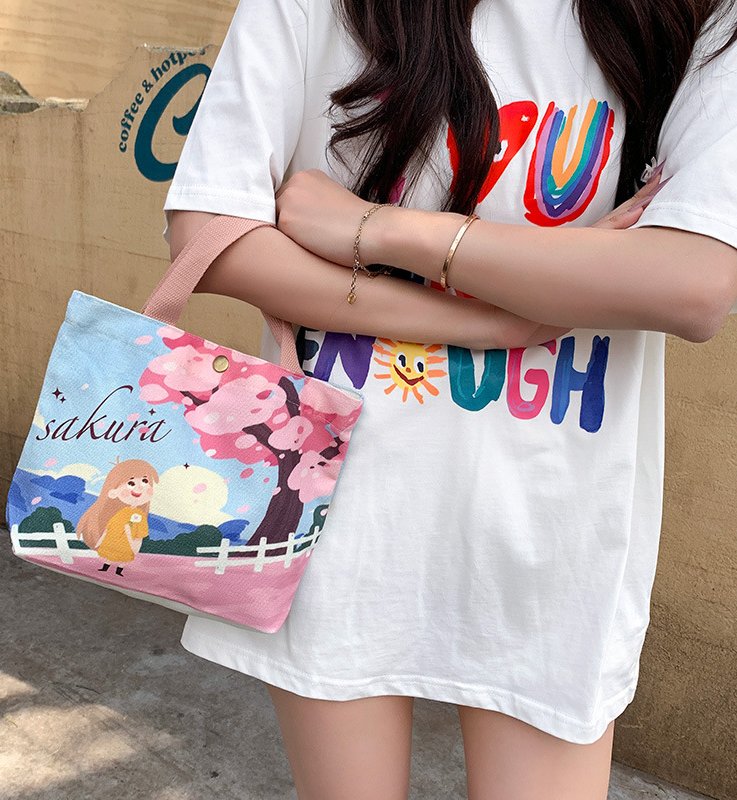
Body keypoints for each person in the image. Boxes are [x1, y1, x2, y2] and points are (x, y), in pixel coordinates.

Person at [161, 0, 737, 797]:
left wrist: (379, 229)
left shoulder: (692, 14)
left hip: (552, 532)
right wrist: (494, 322)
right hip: (338, 515)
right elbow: (208, 235)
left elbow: (695, 285)